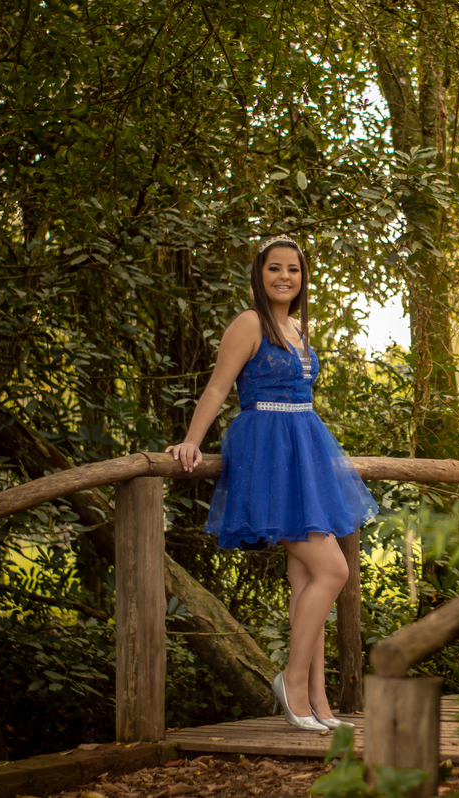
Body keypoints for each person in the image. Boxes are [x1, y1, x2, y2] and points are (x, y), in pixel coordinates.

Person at [166, 235, 378, 732]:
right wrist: (192, 440)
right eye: (275, 269)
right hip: (267, 449)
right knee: (334, 571)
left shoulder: (300, 328)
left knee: (307, 580)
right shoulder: (249, 323)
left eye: (294, 270)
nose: (285, 277)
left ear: (303, 278)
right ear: (259, 275)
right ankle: (291, 681)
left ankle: (319, 703)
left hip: (305, 450)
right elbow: (219, 385)